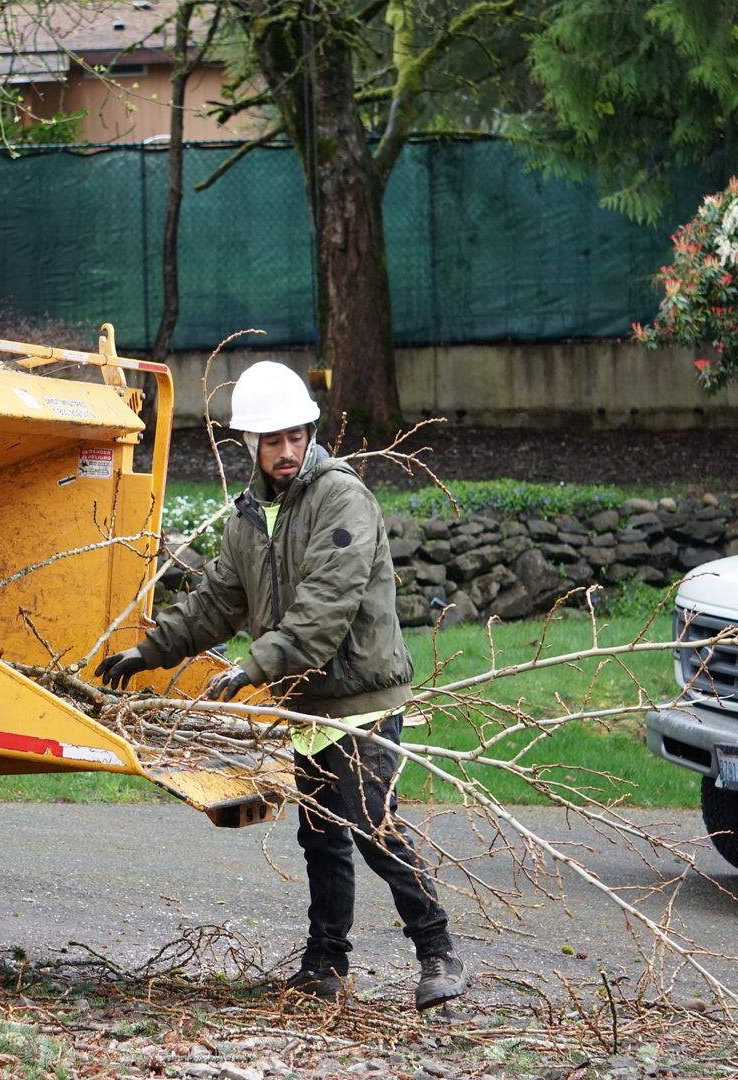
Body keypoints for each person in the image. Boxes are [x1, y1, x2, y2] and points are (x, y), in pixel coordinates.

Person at [98, 361, 466, 1009]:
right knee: (320, 838)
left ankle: (439, 955)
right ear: (252, 446)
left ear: (310, 433)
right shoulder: (248, 521)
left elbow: (325, 605)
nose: (288, 450)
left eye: (296, 435)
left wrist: (252, 666)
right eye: (273, 440)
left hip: (361, 702)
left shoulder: (341, 499)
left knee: (373, 828)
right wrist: (147, 652)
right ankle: (325, 966)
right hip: (305, 705)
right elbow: (214, 603)